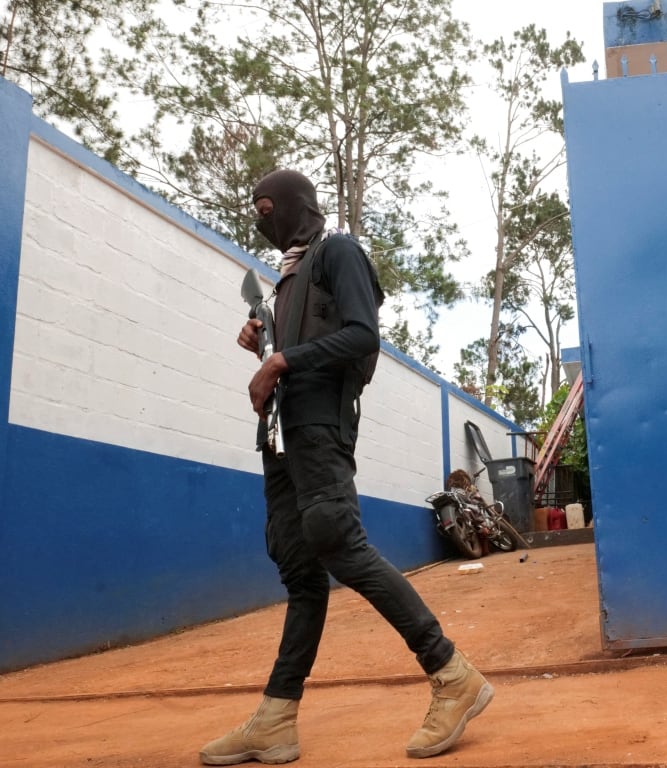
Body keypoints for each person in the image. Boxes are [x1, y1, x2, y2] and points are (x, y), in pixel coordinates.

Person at [200, 169, 492, 765]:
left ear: (296, 206)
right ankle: (276, 720)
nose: (262, 220)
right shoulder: (286, 281)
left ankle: (452, 674)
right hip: (280, 435)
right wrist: (262, 339)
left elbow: (362, 337)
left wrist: (281, 359)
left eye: (267, 208)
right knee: (297, 566)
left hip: (320, 425)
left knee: (337, 537)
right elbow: (302, 343)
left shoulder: (339, 251)